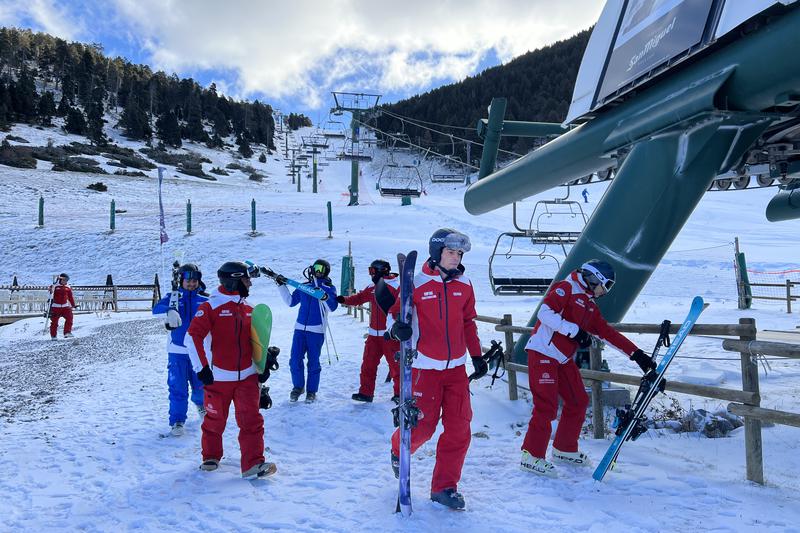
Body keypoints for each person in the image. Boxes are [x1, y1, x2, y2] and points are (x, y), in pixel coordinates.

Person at [519, 259, 656, 477]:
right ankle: (531, 455)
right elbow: (544, 313)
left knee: (578, 400)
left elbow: (607, 333)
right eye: (605, 284)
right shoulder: (566, 288)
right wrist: (574, 331)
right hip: (542, 352)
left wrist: (636, 355)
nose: (606, 291)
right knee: (546, 406)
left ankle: (564, 448)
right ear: (594, 278)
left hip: (562, 359)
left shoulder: (589, 305)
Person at [387, 228, 486, 511]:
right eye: (451, 252)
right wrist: (397, 329)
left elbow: (468, 322)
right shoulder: (416, 284)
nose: (456, 258)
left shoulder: (464, 285)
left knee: (459, 429)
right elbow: (394, 316)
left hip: (456, 370)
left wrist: (476, 356)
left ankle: (444, 487)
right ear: (437, 253)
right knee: (423, 427)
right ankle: (398, 448)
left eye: (459, 253)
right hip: (424, 369)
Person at [187, 261, 277, 479]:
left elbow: (256, 343)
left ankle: (253, 464)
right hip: (218, 377)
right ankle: (211, 456)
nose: (250, 284)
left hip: (246, 377)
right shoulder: (210, 307)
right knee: (215, 420)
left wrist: (263, 366)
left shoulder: (249, 309)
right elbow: (192, 337)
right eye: (246, 279)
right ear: (234, 280)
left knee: (252, 421)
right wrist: (202, 368)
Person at [152, 263, 208, 437]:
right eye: (188, 281)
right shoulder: (173, 298)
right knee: (177, 387)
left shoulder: (205, 300)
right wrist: (169, 310)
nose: (191, 284)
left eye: (195, 281)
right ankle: (177, 420)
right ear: (181, 281)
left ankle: (201, 406)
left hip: (199, 352)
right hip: (177, 351)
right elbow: (156, 309)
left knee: (201, 384)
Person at [336, 259, 400, 403]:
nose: (371, 274)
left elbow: (402, 307)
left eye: (373, 271)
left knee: (395, 366)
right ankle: (366, 392)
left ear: (382, 271)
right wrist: (343, 299)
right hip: (373, 335)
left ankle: (399, 393)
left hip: (389, 335)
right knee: (368, 365)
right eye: (370, 271)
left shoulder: (396, 287)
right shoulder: (372, 287)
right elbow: (358, 298)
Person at [278, 259, 338, 403]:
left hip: (316, 331)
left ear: (327, 271)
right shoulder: (304, 287)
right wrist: (281, 286)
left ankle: (312, 391)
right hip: (299, 329)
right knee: (295, 360)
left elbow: (332, 307)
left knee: (313, 362)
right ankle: (298, 387)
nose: (318, 271)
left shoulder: (329, 288)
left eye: (322, 269)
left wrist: (323, 296)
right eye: (316, 267)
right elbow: (291, 302)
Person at [48, 273, 77, 339]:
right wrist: (50, 290)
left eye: (66, 280)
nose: (65, 281)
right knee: (54, 322)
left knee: (70, 317)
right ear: (60, 279)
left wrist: (73, 305)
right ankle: (53, 335)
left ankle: (67, 332)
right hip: (55, 307)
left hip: (65, 306)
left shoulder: (68, 287)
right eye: (64, 280)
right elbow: (50, 294)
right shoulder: (55, 286)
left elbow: (70, 297)